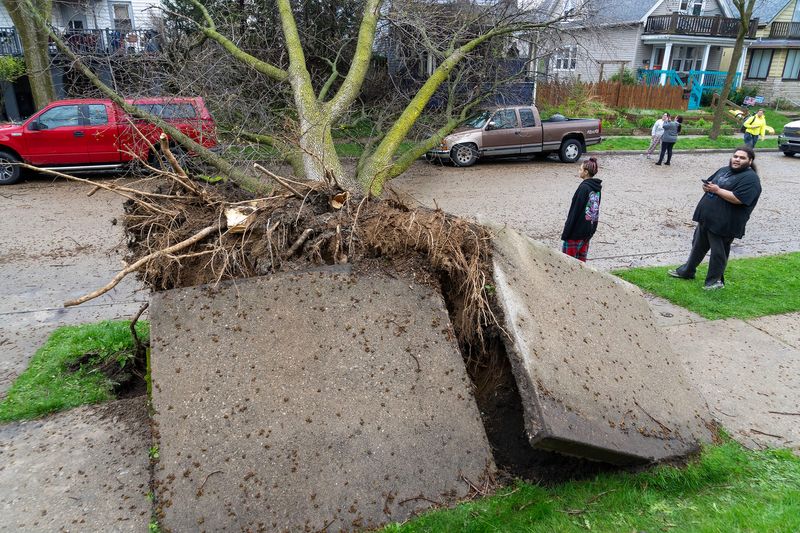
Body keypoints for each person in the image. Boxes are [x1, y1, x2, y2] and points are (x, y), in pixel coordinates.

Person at [668, 147, 762, 290]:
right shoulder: (724, 170)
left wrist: (717, 190)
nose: (737, 159)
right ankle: (687, 271)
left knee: (719, 252)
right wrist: (707, 187)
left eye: (742, 158)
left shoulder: (751, 179)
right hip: (707, 219)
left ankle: (714, 281)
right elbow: (711, 183)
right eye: (735, 156)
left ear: (750, 161)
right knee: (697, 247)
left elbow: (739, 199)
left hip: (725, 223)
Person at [561, 157, 602, 262]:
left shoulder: (583, 188)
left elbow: (574, 212)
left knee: (567, 263)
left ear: (586, 172)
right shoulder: (596, 189)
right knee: (581, 264)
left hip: (575, 234)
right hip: (586, 234)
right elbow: (595, 212)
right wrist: (591, 232)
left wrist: (566, 233)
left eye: (580, 169)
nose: (579, 171)